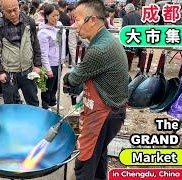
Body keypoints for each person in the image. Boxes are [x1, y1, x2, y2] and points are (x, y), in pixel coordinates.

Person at [63, 0, 128, 179]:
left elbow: (73, 78)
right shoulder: (104, 39)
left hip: (105, 113)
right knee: (98, 158)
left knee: (84, 162)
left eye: (77, 20)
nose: (74, 25)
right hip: (113, 111)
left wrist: (68, 76)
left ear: (92, 20)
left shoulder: (99, 50)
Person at [0, 0, 42, 106]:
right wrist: (0, 72)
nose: (12, 14)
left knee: (33, 102)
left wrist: (37, 65)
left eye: (15, 10)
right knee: (10, 105)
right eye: (8, 11)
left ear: (19, 7)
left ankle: (33, 121)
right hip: (9, 73)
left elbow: (35, 44)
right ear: (3, 10)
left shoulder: (29, 22)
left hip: (28, 71)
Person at [37, 4, 65, 111]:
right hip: (50, 63)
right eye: (53, 16)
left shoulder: (60, 26)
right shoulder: (43, 33)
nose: (56, 18)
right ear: (47, 16)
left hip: (59, 62)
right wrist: (47, 69)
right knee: (48, 86)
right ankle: (45, 105)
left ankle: (53, 101)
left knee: (55, 85)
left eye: (57, 15)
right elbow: (43, 53)